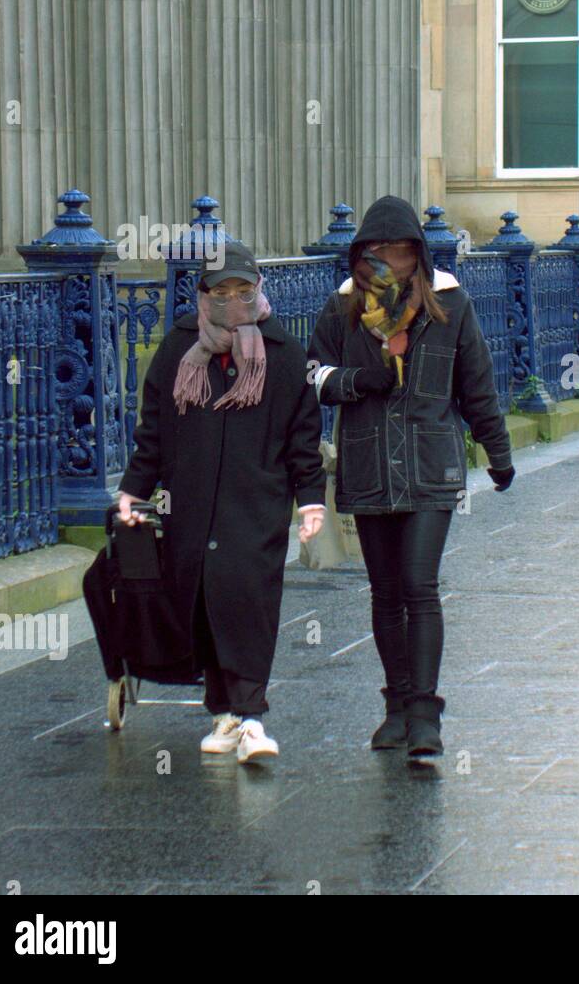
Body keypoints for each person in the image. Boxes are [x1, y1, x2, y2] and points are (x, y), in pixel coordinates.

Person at [308, 195, 514, 761]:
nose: (389, 261)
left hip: (430, 464)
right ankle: (395, 707)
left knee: (419, 586)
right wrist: (358, 380)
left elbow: (476, 384)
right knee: (385, 592)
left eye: (400, 251)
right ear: (361, 253)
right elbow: (312, 374)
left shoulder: (449, 303)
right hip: (368, 464)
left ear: (417, 253)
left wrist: (497, 452)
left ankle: (425, 713)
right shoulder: (342, 308)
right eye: (377, 251)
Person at [117, 240, 326, 765]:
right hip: (190, 504)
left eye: (243, 289)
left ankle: (252, 715)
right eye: (221, 290)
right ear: (203, 294)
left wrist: (311, 501)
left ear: (258, 290)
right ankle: (224, 713)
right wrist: (133, 490)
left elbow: (303, 437)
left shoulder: (283, 356)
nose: (233, 299)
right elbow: (154, 432)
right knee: (205, 603)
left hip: (255, 504)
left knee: (249, 600)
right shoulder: (177, 350)